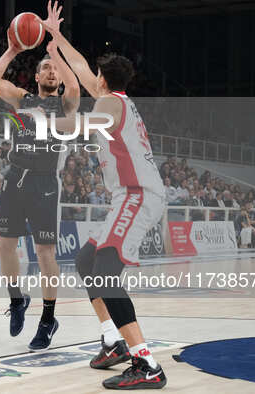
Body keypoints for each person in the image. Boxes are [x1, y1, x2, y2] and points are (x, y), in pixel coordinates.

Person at [39, 2, 167, 388]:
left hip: (137, 194)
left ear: (102, 80)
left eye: (94, 74)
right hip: (125, 197)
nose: (89, 75)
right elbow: (79, 66)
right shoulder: (115, 96)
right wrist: (56, 39)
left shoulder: (110, 103)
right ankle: (114, 341)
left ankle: (147, 364)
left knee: (106, 271)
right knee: (86, 260)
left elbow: (82, 123)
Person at [0, 5, 80, 351]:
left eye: (54, 69)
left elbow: (75, 85)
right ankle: (17, 299)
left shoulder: (66, 105)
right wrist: (13, 48)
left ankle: (48, 318)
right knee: (6, 247)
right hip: (15, 178)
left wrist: (55, 46)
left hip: (44, 183)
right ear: (37, 78)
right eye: (45, 68)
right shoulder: (23, 99)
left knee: (44, 253)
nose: (51, 72)